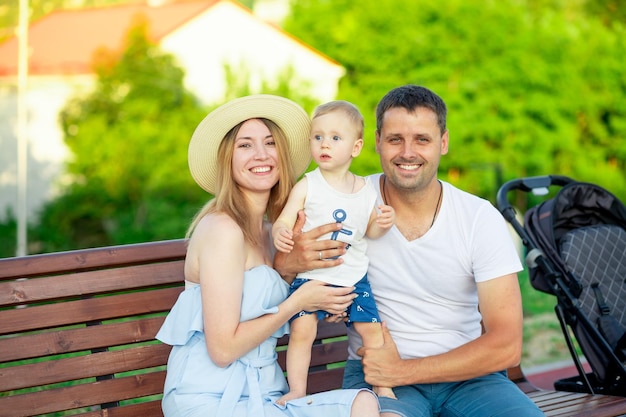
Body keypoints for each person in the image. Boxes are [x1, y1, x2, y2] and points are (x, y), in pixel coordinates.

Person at [274, 85, 545, 416]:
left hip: (470, 378)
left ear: (443, 143)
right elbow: (286, 267)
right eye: (394, 139)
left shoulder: (478, 217)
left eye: (422, 139)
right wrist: (310, 277)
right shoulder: (345, 198)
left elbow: (506, 346)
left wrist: (403, 370)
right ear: (376, 142)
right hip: (376, 375)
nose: (407, 152)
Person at [156, 94, 380, 417]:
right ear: (227, 159)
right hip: (210, 398)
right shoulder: (222, 230)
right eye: (245, 145)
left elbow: (294, 294)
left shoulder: (271, 232)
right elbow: (222, 350)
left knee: (364, 405)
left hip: (267, 393)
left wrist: (326, 298)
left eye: (270, 143)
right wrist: (299, 302)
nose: (261, 154)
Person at [272, 101, 396, 404]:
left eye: (335, 138)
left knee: (372, 331)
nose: (324, 144)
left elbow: (369, 231)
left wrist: (382, 223)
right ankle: (298, 389)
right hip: (311, 278)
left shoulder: (367, 191)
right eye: (318, 137)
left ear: (356, 147)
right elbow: (286, 218)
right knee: (302, 330)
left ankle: (382, 384)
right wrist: (281, 231)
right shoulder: (307, 185)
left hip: (353, 277)